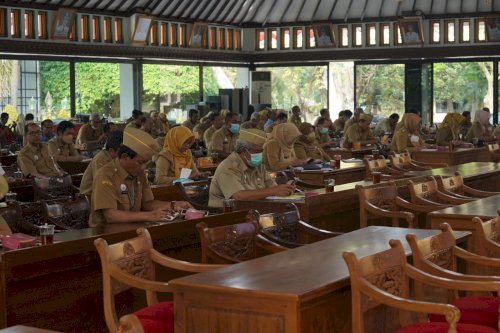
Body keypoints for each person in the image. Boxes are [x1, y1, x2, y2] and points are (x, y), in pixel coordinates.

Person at [89, 127, 191, 227]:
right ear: (125, 157)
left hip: (133, 227)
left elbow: (147, 203)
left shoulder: (139, 174)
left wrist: (173, 205)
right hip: (106, 234)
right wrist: (149, 215)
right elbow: (111, 216)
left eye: (145, 163)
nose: (143, 168)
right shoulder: (105, 175)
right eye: (140, 162)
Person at [209, 128, 295, 207]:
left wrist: (285, 189)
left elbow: (272, 187)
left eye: (263, 151)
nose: (261, 155)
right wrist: (273, 191)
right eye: (258, 151)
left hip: (253, 209)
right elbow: (239, 196)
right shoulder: (228, 167)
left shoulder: (259, 165)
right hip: (225, 215)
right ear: (243, 150)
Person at [80, 131, 123, 197]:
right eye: (122, 152)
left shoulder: (113, 158)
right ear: (111, 150)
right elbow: (102, 184)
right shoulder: (101, 159)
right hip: (90, 196)